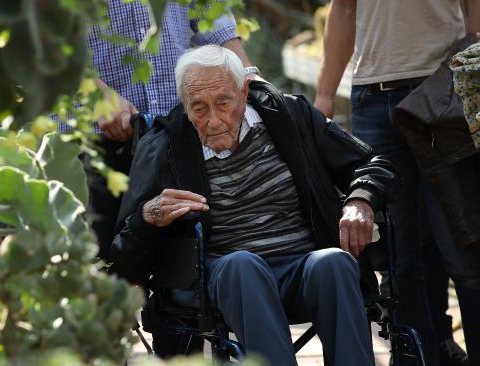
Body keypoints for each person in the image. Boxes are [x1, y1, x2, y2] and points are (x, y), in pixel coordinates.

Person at [110, 45, 397, 366]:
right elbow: (123, 259)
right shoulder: (163, 148)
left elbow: (371, 162)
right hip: (225, 281)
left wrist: (361, 198)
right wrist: (148, 218)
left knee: (334, 262)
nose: (214, 120)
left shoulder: (289, 116)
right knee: (243, 266)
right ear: (185, 107)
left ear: (244, 91)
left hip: (300, 271)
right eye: (199, 108)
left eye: (223, 102)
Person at [75, 1, 261, 357]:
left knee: (180, 266)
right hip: (93, 133)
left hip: (172, 126)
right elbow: (43, 32)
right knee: (103, 275)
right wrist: (94, 92)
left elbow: (212, 17)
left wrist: (247, 71)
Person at [315, 1, 480, 365]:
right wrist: (325, 95)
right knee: (400, 254)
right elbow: (342, 10)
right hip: (371, 97)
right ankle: (417, 356)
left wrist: (470, 63)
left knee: (462, 244)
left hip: (443, 88)